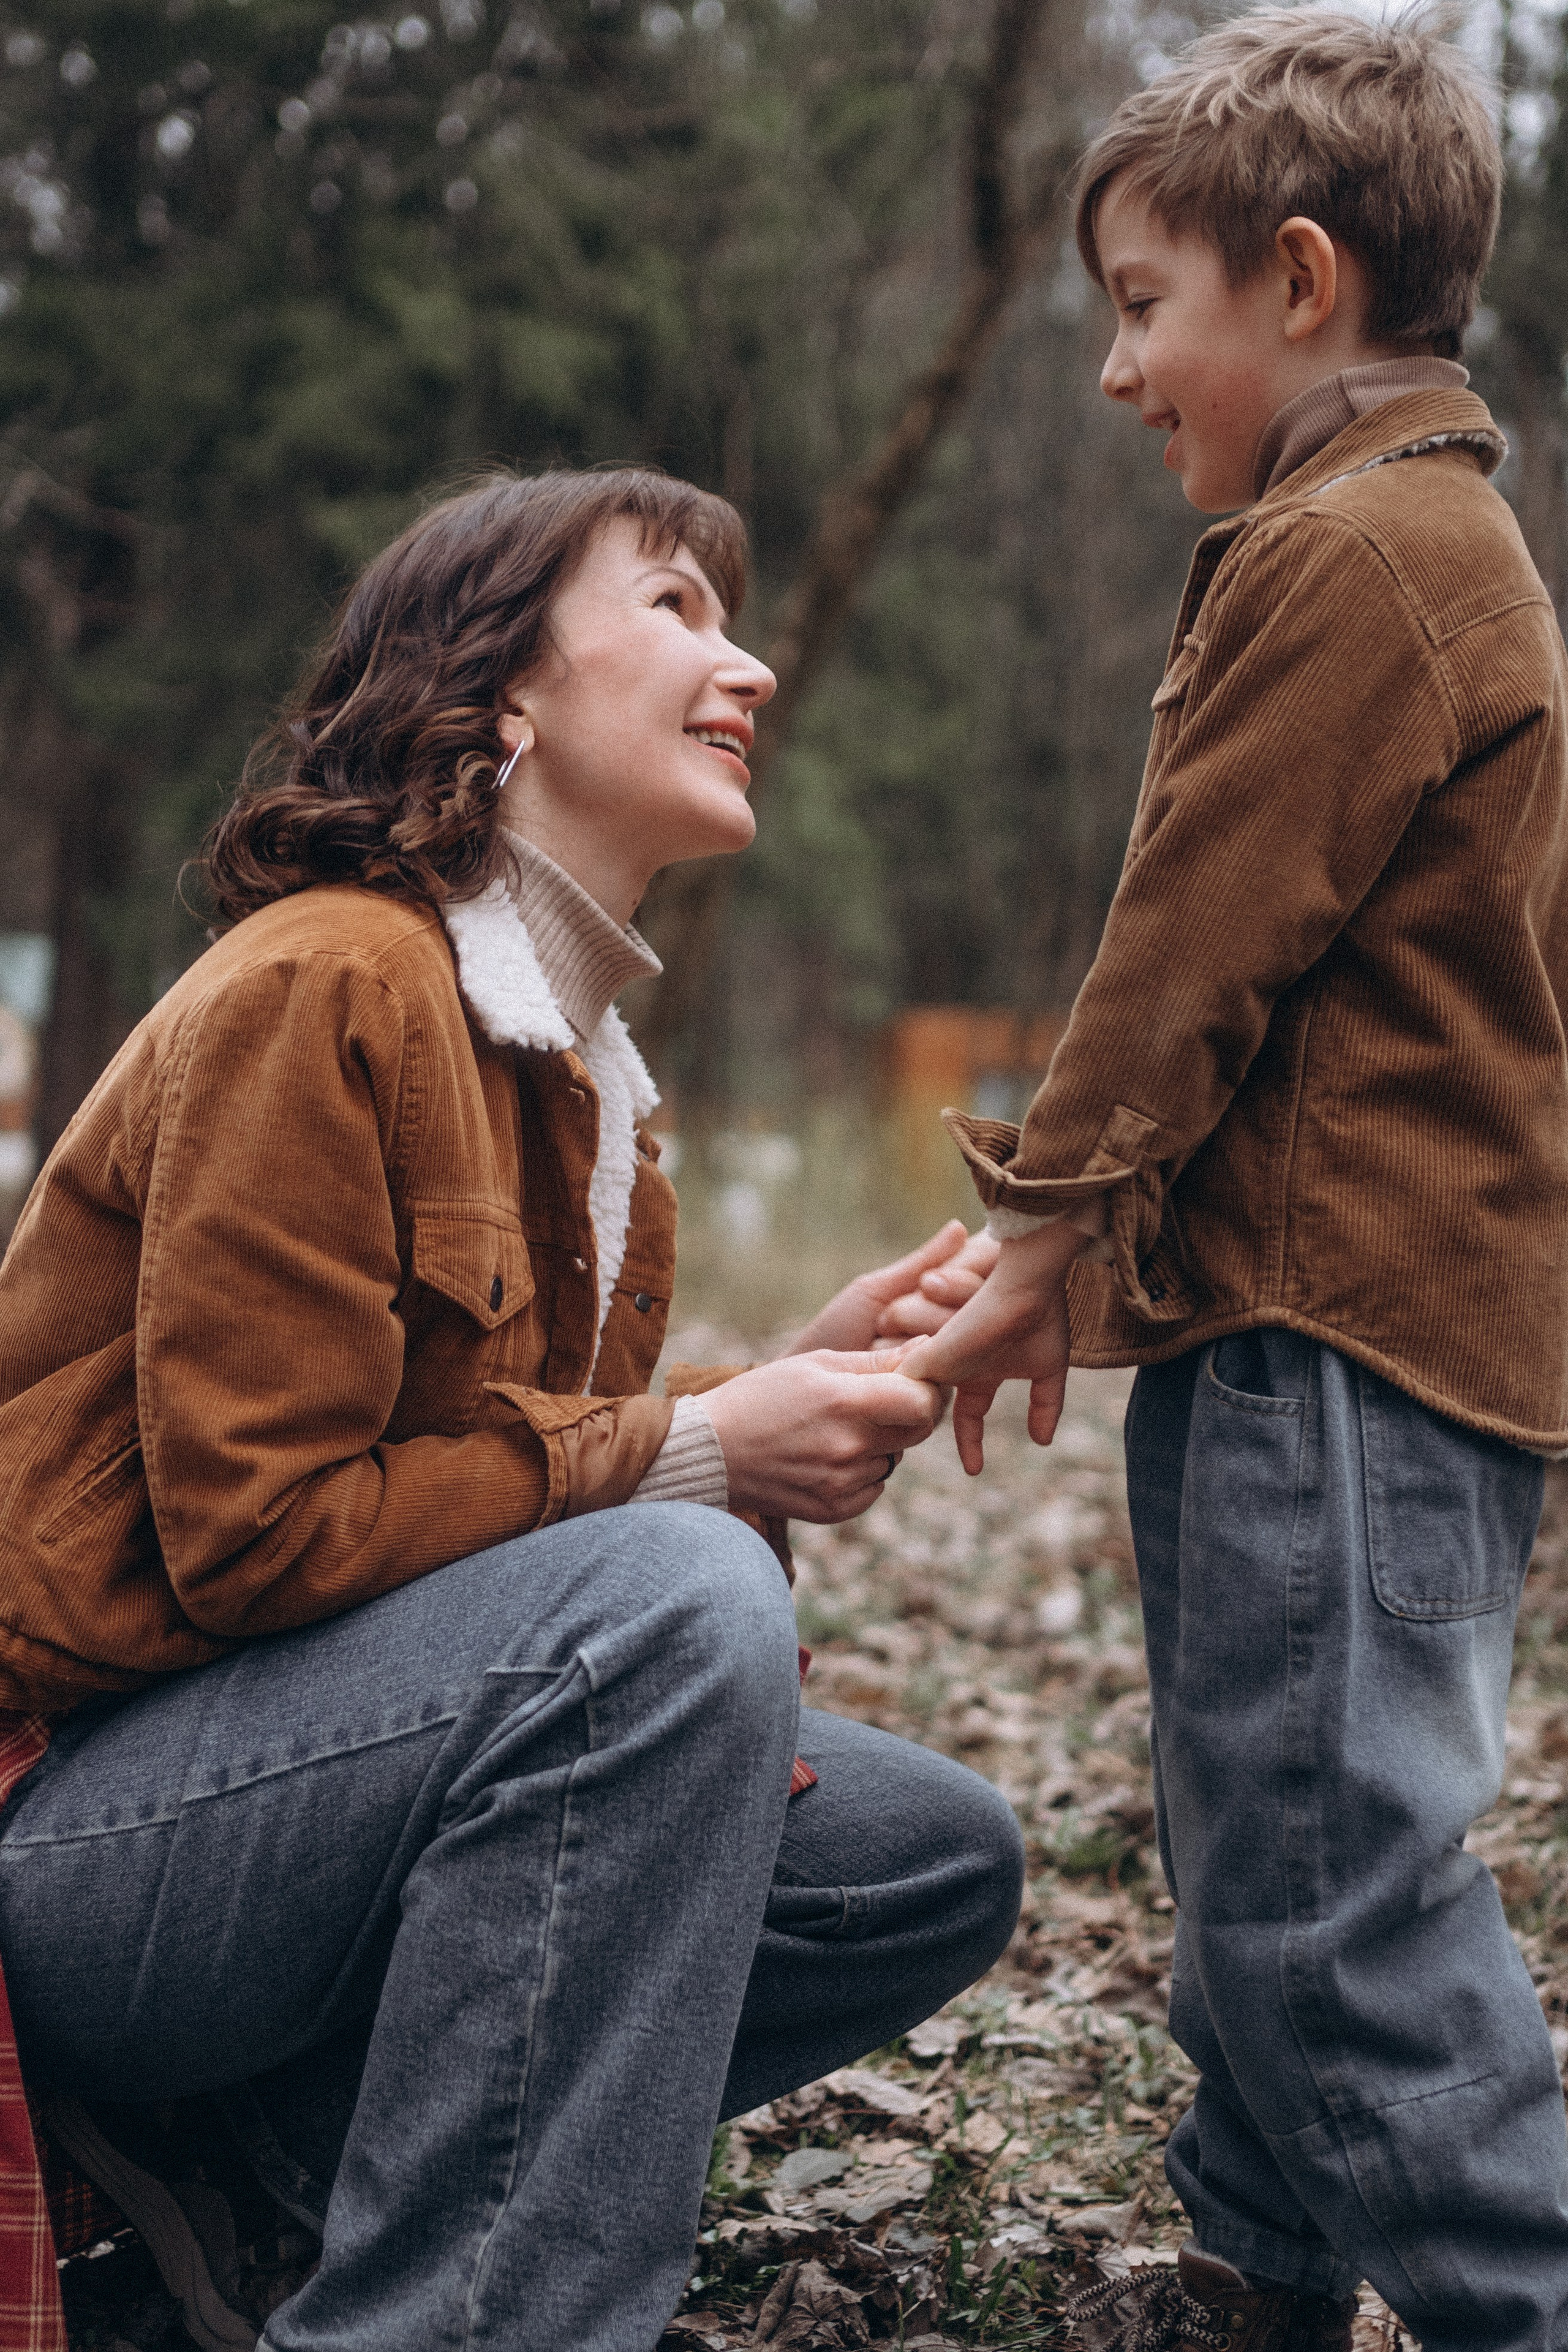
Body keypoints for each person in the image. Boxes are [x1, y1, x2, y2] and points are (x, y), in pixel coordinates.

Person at [0, 467, 1025, 2352]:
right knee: (680, 1604)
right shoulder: (327, 983)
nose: (751, 667)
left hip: (276, 1816)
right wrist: (707, 1452)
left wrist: (753, 1402)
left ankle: (259, 2182)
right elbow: (257, 1539)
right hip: (74, 1843)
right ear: (502, 694)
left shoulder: (581, 1081)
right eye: (676, 608)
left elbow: (491, 1521)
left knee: (919, 1857)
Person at [890, 13, 1568, 2348]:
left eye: (1140, 304)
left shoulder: (1365, 549)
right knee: (1262, 1846)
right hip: (1311, 1322)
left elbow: (1193, 934)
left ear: (1298, 278)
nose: (1112, 370)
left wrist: (1040, 1226)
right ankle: (1248, 2283)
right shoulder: (1409, 542)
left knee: (1327, 1915)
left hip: (1342, 1338)